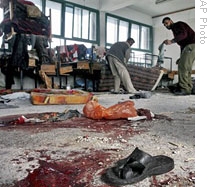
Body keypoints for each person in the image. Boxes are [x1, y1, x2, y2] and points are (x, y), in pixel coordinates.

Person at [162, 17, 195, 95]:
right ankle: (189, 87)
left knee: (182, 67)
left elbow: (183, 35)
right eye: (164, 25)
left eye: (166, 23)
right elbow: (182, 45)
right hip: (191, 47)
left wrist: (171, 41)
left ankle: (184, 89)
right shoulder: (175, 29)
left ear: (171, 21)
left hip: (191, 46)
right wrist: (181, 57)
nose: (166, 25)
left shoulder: (178, 25)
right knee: (187, 68)